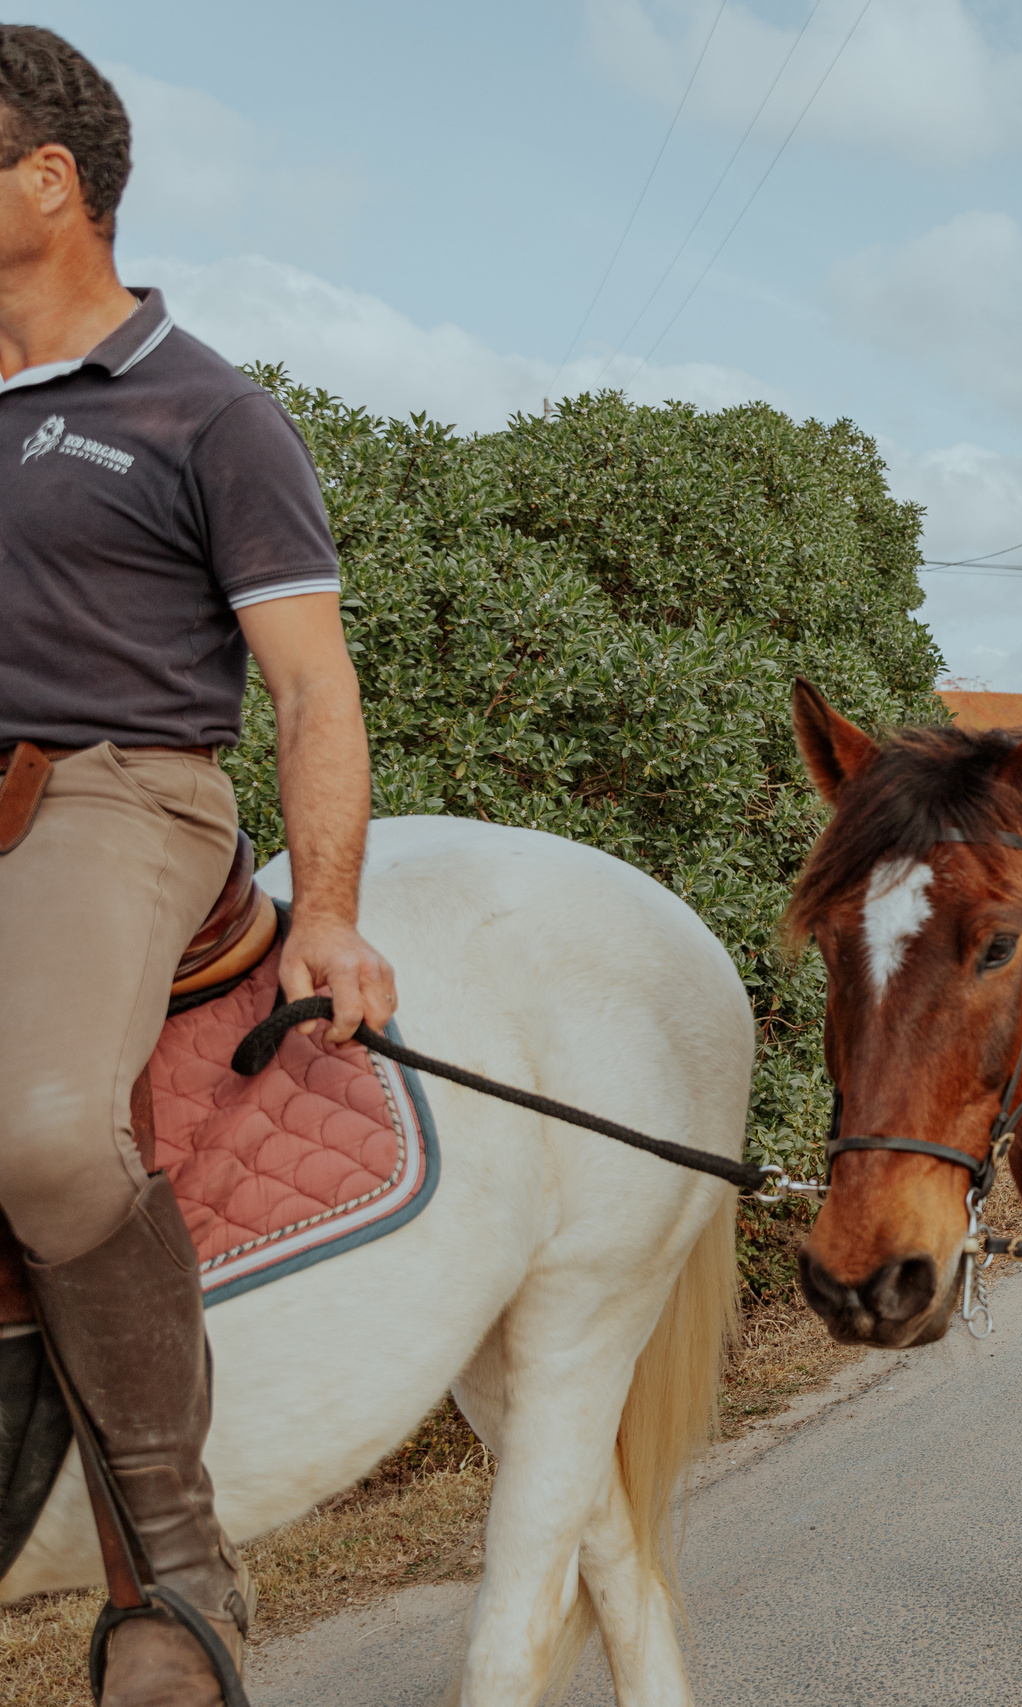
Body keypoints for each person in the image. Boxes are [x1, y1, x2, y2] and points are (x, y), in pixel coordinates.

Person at [0, 29, 396, 1704]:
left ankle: (177, 1564)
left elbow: (310, 684)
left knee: (37, 1129)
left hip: (115, 792)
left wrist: (340, 913)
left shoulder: (204, 410)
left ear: (47, 182)